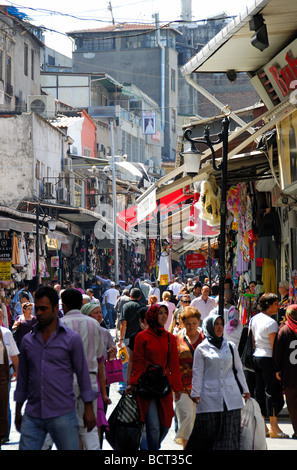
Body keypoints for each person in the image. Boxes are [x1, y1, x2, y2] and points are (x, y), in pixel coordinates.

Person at [15, 286, 97, 450]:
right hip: (33, 414)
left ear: (55, 308)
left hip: (64, 414)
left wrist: (88, 408)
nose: (38, 313)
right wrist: (18, 409)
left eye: (43, 309)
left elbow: (82, 375)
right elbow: (23, 378)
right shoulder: (28, 342)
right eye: (37, 308)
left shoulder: (71, 339)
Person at [185, 314, 250, 451]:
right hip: (209, 399)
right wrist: (195, 394)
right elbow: (198, 373)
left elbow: (238, 369)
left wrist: (245, 389)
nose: (220, 327)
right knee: (209, 436)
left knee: (229, 437)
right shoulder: (202, 349)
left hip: (231, 399)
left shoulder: (230, 346)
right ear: (209, 327)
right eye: (216, 324)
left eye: (221, 324)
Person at [128, 304, 183, 450]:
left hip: (163, 386)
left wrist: (177, 387)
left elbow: (174, 365)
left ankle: (151, 447)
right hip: (146, 386)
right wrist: (133, 383)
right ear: (153, 316)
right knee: (152, 426)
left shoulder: (170, 338)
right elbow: (138, 363)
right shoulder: (142, 337)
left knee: (166, 424)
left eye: (166, 313)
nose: (164, 316)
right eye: (160, 313)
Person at [60, 289, 103, 450]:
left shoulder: (61, 324)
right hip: (90, 379)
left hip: (67, 381)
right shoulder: (93, 324)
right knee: (89, 427)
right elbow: (100, 356)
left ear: (63, 305)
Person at [250, 292, 287, 438]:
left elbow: (252, 341)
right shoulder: (271, 323)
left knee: (259, 391)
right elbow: (274, 347)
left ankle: (263, 426)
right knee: (272, 392)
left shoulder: (254, 319)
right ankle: (274, 426)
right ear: (269, 306)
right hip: (268, 359)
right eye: (276, 304)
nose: (278, 306)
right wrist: (278, 367)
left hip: (256, 357)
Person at [80, 302, 115, 446]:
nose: (100, 315)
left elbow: (110, 355)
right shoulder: (80, 332)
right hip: (87, 379)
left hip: (103, 379)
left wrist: (111, 354)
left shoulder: (105, 332)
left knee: (100, 416)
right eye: (96, 312)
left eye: (100, 312)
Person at [174, 307, 204, 448]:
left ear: (199, 322)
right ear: (182, 323)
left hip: (203, 388)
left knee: (199, 424)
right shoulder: (176, 339)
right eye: (188, 323)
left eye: (194, 323)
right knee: (186, 419)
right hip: (182, 388)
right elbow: (171, 364)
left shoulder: (205, 339)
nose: (191, 326)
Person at [273, 304, 297, 439]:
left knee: (293, 404)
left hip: (290, 374)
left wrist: (277, 369)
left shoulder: (284, 330)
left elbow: (278, 353)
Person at [0, 309, 19, 445]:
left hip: (3, 373)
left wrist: (17, 371)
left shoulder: (5, 333)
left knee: (4, 403)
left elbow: (13, 355)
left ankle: (4, 433)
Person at [117, 287, 141, 392]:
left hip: (127, 337)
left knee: (125, 361)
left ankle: (124, 385)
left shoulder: (126, 306)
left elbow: (123, 323)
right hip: (140, 338)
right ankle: (136, 383)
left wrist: (120, 338)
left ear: (130, 296)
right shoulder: (143, 307)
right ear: (139, 297)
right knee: (137, 361)